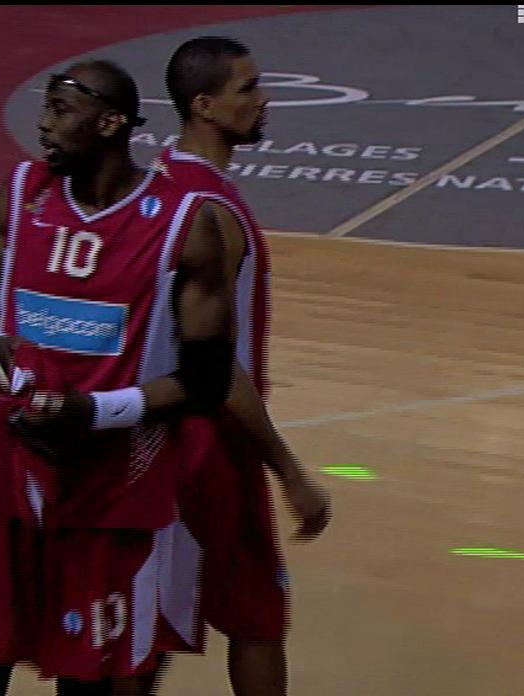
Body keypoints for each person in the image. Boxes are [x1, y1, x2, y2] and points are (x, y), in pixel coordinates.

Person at [0, 60, 241, 695]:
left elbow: (207, 380)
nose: (43, 125)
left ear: (110, 123)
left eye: (59, 110)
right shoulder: (22, 192)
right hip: (8, 472)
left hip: (110, 491)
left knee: (87, 682)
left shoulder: (184, 223)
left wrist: (95, 412)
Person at [147, 36, 332, 695]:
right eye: (247, 88)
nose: (263, 99)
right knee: (257, 616)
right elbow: (217, 365)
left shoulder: (156, 183)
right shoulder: (214, 215)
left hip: (153, 435)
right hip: (213, 438)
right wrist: (289, 470)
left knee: (149, 617)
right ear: (204, 105)